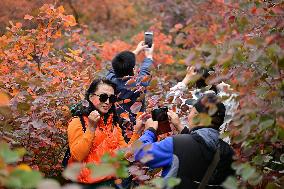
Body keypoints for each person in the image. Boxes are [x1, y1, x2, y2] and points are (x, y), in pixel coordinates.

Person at [134, 94, 235, 189]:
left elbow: (139, 152)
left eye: (191, 111)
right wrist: (180, 127)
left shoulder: (176, 144)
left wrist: (149, 131)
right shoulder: (229, 153)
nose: (188, 116)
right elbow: (200, 142)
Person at [67, 78, 143, 187]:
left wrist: (137, 131)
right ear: (91, 97)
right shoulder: (78, 122)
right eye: (103, 97)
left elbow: (124, 155)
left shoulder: (113, 125)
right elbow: (77, 156)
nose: (107, 102)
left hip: (110, 183)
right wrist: (91, 128)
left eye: (111, 98)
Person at [106, 41, 154, 140]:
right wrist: (149, 56)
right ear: (133, 69)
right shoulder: (138, 84)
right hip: (135, 127)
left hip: (114, 125)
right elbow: (145, 70)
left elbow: (114, 68)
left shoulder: (109, 79)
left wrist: (135, 52)